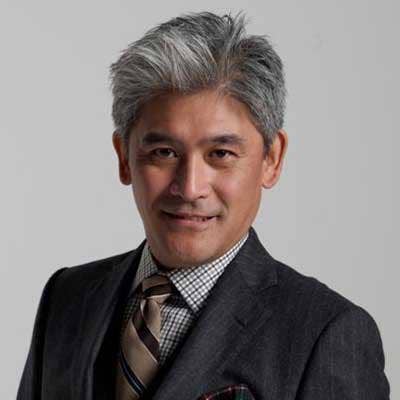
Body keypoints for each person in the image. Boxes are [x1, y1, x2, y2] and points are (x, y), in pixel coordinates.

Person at [17, 11, 390, 400]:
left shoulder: (325, 334)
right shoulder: (67, 297)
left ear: (272, 158)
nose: (190, 188)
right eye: (164, 152)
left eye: (221, 154)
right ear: (124, 157)